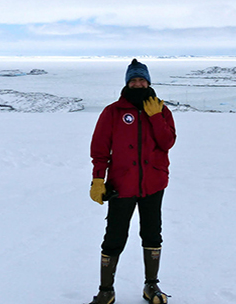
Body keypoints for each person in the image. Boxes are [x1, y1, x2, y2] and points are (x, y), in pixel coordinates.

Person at [89, 59, 176, 304]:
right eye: (133, 80)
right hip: (121, 186)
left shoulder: (162, 110)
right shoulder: (112, 112)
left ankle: (151, 287)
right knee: (114, 236)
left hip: (153, 184)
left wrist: (156, 117)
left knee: (152, 234)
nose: (138, 84)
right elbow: (100, 149)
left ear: (148, 82)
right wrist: (98, 179)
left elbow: (167, 142)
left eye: (141, 79)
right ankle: (106, 290)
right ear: (128, 82)